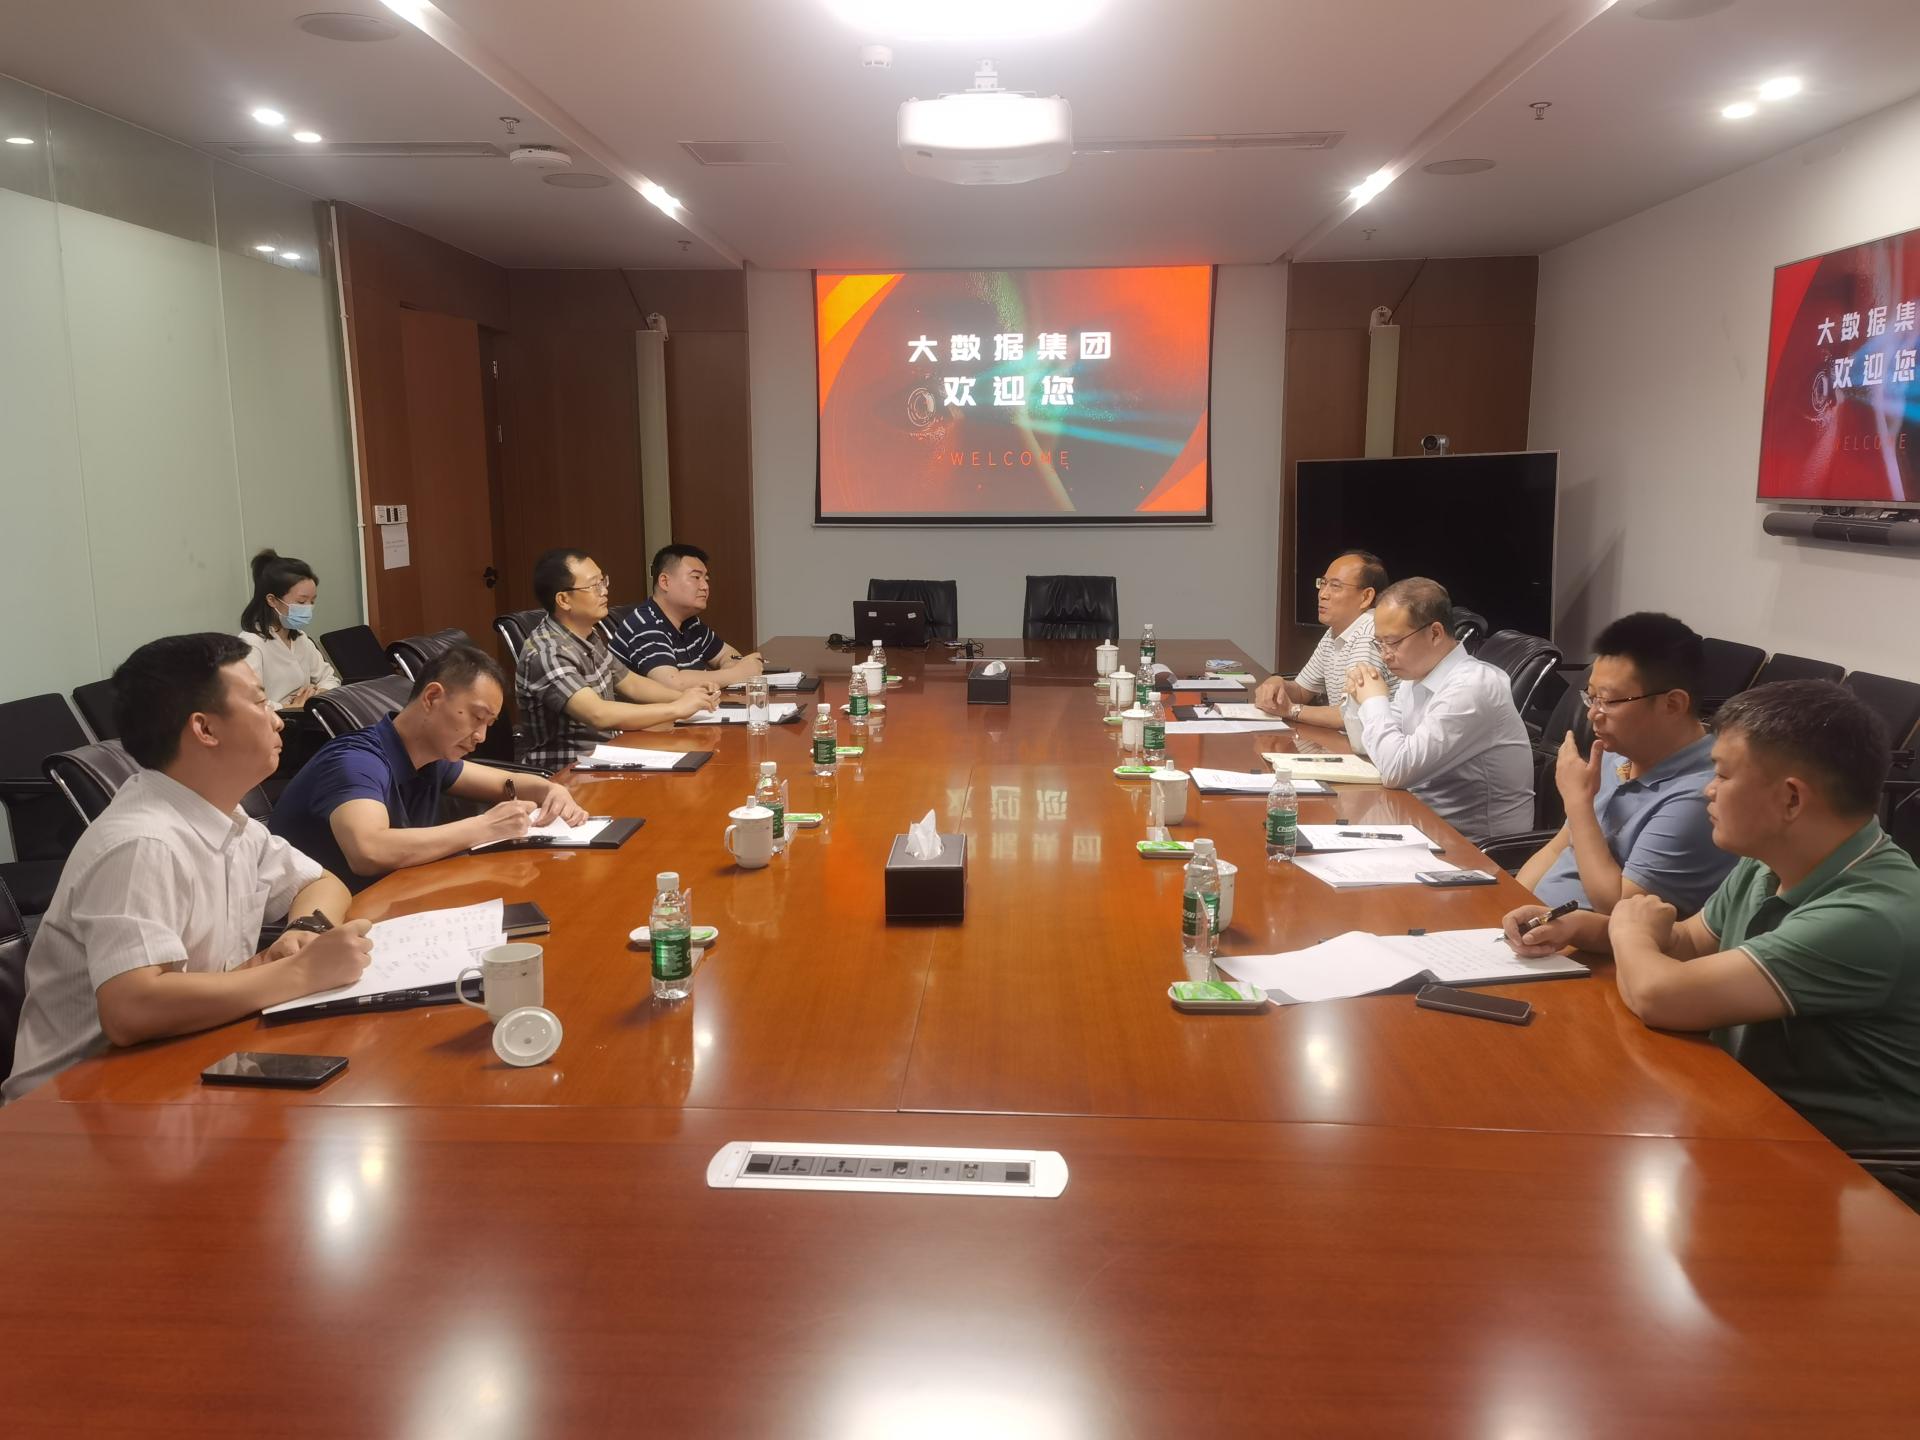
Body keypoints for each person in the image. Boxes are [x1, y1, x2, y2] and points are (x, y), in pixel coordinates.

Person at [1501, 681, 1920, 1157]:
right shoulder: (1771, 860)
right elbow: (1689, 942)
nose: (1708, 789)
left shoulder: (1869, 915)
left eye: (1722, 775)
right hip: (1747, 1107)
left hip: (1847, 1163)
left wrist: (1627, 928)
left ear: (1791, 800)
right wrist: (1581, 926)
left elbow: (1661, 997)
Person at [4, 634, 373, 1102]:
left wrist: (306, 929)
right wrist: (301, 973)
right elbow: (131, 1010)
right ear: (205, 729)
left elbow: (322, 882)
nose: (278, 718)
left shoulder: (225, 817)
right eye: (260, 702)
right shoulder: (142, 842)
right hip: (73, 1107)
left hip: (182, 1064)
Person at [269, 645, 591, 892]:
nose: (481, 736)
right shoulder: (356, 761)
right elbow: (368, 851)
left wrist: (552, 789)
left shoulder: (430, 758)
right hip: (319, 929)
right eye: (477, 717)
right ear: (432, 697)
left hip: (396, 897)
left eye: (489, 724)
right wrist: (486, 826)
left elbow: (506, 782)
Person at [1518, 612, 1735, 913]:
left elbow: (1617, 907)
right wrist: (1509, 905)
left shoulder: (1701, 795)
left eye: (1608, 701)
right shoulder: (1616, 753)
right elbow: (1558, 847)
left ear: (1672, 704)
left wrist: (1578, 802)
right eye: (1591, 697)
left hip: (1588, 938)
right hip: (1534, 922)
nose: (1592, 714)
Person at [1346, 577, 1533, 837]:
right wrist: (1358, 698)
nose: (1385, 655)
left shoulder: (1473, 686)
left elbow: (1396, 770)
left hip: (1475, 846)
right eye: (1379, 643)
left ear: (1435, 633)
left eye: (1394, 642)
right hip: (1419, 821)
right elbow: (1365, 746)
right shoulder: (1416, 676)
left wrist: (1373, 701)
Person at [516, 548, 717, 771]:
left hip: (607, 756)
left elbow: (631, 683)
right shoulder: (548, 651)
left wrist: (691, 698)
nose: (604, 591)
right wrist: (678, 708)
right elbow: (598, 713)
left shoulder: (588, 635)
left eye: (603, 581)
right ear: (563, 600)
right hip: (567, 773)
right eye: (594, 586)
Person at [1253, 550, 1396, 724]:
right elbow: (1302, 691)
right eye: (1323, 583)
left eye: (1335, 586)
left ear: (1366, 597)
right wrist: (1277, 684)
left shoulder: (1368, 633)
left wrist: (1292, 710)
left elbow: (1354, 715)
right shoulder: (1336, 631)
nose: (1322, 594)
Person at [605, 544, 764, 692]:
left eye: (706, 579)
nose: (705, 586)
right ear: (665, 582)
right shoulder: (644, 623)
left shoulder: (690, 622)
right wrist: (737, 674)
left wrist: (732, 669)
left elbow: (727, 655)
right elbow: (672, 683)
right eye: (696, 577)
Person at [237, 548, 340, 709]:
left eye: (312, 601)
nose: (308, 608)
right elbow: (249, 703)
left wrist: (317, 693)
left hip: (306, 715)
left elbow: (330, 679)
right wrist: (289, 708)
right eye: (301, 602)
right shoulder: (251, 644)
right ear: (272, 600)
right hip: (277, 721)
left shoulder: (300, 638)